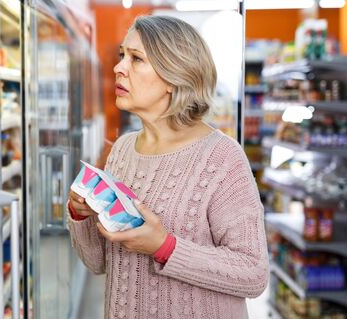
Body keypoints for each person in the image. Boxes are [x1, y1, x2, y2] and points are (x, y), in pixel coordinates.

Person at [68, 15, 269, 319]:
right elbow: (99, 263)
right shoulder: (122, 149)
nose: (118, 67)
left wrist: (165, 247)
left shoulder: (222, 159)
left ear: (175, 77)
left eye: (136, 59)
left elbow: (253, 273)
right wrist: (81, 216)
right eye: (123, 55)